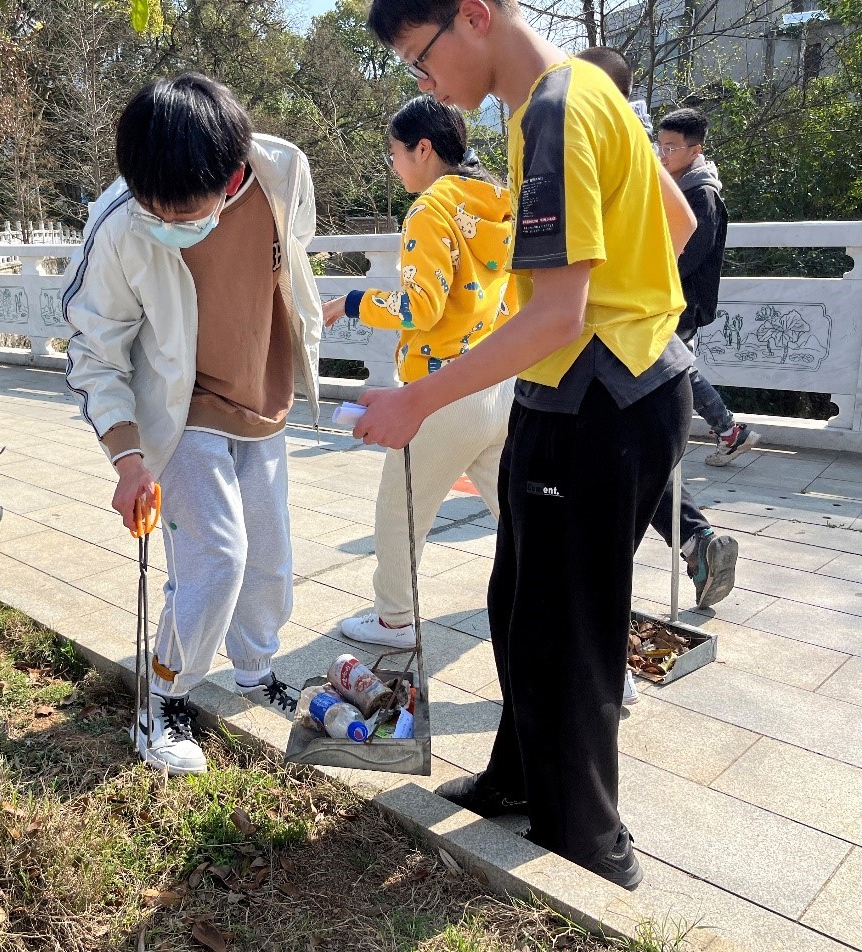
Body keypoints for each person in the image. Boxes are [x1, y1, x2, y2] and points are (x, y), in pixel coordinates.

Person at [359, 0, 701, 889]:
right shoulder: (588, 91)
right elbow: (675, 226)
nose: (424, 84)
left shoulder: (548, 109)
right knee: (522, 601)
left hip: (595, 398)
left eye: (418, 59)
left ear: (471, 16)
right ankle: (517, 780)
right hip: (620, 387)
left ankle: (588, 845)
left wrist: (415, 401)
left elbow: (557, 309)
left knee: (568, 630)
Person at [62, 73, 323, 776]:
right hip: (176, 412)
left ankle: (253, 667)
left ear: (231, 171)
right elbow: (93, 350)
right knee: (217, 558)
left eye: (187, 212)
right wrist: (126, 457)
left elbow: (292, 255)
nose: (170, 224)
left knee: (269, 561)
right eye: (156, 209)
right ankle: (165, 696)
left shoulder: (281, 172)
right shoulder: (119, 222)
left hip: (262, 397)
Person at [574, 55, 741, 687]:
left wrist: (627, 290)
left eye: (674, 145)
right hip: (647, 334)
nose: (664, 150)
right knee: (640, 458)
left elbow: (680, 237)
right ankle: (695, 541)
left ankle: (609, 654)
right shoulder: (645, 156)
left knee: (624, 466)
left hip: (638, 335)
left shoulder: (686, 182)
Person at [325, 97, 516, 649]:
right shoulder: (496, 200)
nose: (393, 164)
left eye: (395, 153)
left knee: (398, 510)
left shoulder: (431, 209)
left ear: (423, 149)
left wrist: (356, 301)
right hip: (494, 378)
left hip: (442, 388)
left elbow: (421, 307)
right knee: (520, 516)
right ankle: (583, 626)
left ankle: (393, 621)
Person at [657, 107, 758, 467]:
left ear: (694, 150)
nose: (662, 154)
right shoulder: (680, 186)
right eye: (660, 145)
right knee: (676, 363)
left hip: (683, 297)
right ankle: (730, 432)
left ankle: (729, 431)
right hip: (672, 293)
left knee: (675, 364)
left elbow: (690, 255)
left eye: (671, 147)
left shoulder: (701, 194)